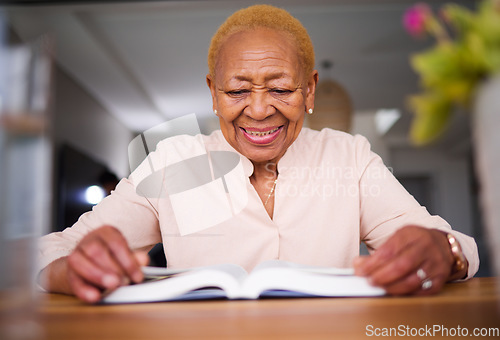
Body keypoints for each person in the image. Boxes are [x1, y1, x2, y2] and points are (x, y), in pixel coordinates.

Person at [38, 4, 479, 303]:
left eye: (282, 88)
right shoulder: (171, 163)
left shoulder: (350, 157)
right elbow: (50, 251)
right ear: (213, 93)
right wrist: (72, 269)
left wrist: (445, 252)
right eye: (237, 90)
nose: (260, 109)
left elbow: (461, 249)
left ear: (309, 90)